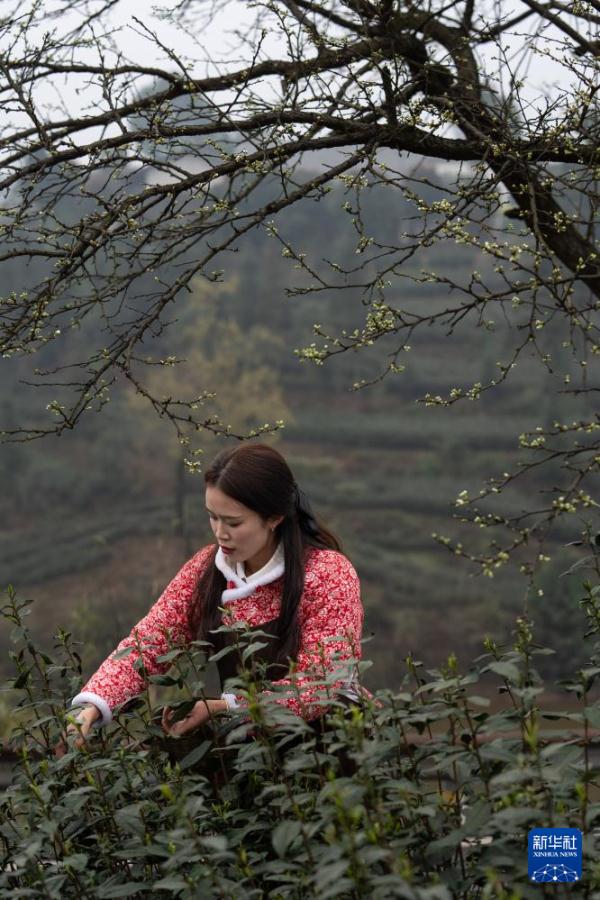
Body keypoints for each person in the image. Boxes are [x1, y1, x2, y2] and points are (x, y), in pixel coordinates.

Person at [65, 443, 366, 755]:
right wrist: (93, 705)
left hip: (329, 749)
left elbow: (324, 681)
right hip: (248, 750)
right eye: (213, 518)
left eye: (234, 523)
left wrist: (227, 706)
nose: (221, 533)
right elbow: (150, 640)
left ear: (274, 518)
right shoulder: (207, 571)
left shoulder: (327, 573)